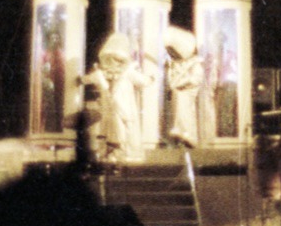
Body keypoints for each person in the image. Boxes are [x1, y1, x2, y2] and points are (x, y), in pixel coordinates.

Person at [82, 32, 156, 163]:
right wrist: (152, 76)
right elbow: (144, 81)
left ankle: (110, 156)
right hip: (123, 108)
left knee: (111, 132)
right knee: (123, 133)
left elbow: (84, 80)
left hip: (110, 110)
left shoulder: (102, 72)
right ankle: (122, 156)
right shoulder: (127, 71)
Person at [164, 27, 201, 149]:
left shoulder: (195, 63)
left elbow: (196, 79)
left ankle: (188, 137)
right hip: (179, 93)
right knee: (179, 113)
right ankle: (180, 136)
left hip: (186, 92)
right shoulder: (176, 64)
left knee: (186, 113)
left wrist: (182, 83)